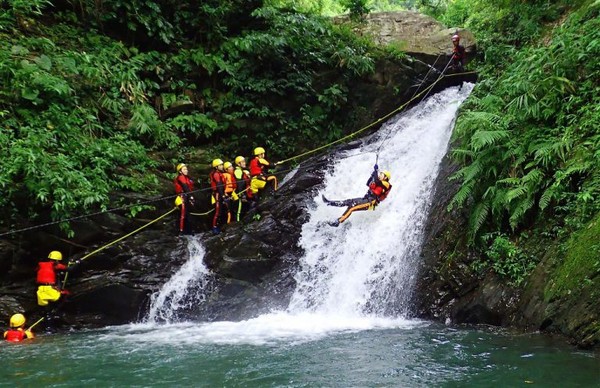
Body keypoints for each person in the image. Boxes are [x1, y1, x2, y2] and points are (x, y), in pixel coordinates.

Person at [323, 165, 392, 227]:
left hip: (370, 202)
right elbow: (368, 183)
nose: (379, 175)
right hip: (366, 199)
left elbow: (377, 181)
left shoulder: (386, 184)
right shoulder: (378, 181)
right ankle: (329, 203)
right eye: (379, 174)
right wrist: (372, 176)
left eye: (381, 174)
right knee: (348, 202)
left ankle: (338, 222)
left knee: (351, 208)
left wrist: (376, 172)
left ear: (385, 177)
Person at [173, 163, 196, 235]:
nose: (186, 170)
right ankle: (181, 231)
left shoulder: (187, 178)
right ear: (180, 171)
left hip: (186, 197)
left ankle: (189, 230)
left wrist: (191, 197)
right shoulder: (181, 177)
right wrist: (191, 197)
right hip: (182, 197)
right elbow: (185, 187)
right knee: (183, 214)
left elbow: (189, 188)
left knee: (187, 214)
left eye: (186, 169)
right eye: (184, 169)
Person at [233, 156, 255, 221]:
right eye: (242, 162)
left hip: (242, 192)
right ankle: (237, 224)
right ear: (238, 164)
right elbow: (240, 183)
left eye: (244, 161)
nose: (244, 163)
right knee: (238, 211)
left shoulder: (241, 171)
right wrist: (241, 195)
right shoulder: (237, 171)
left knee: (244, 208)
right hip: (239, 193)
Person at [209, 158, 226, 234]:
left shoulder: (220, 173)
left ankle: (219, 225)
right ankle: (214, 227)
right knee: (218, 211)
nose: (222, 166)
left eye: (222, 165)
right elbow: (219, 185)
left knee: (221, 211)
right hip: (217, 194)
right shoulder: (216, 174)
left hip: (220, 193)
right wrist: (222, 195)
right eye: (220, 165)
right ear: (216, 167)